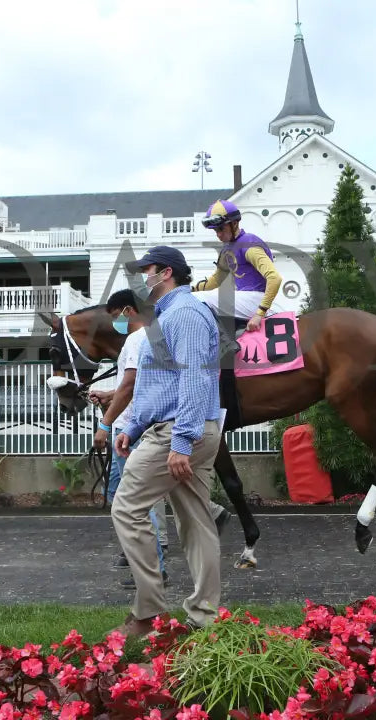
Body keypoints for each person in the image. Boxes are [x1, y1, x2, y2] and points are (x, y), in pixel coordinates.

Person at [111, 245, 223, 637]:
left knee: (126, 508)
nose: (143, 278)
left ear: (167, 273)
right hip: (181, 427)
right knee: (196, 522)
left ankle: (148, 612)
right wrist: (133, 426)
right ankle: (205, 619)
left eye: (148, 270)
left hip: (181, 430)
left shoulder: (186, 313)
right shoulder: (167, 316)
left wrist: (182, 441)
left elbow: (194, 377)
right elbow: (157, 385)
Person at [88, 289, 167, 589]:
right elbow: (133, 386)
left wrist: (104, 426)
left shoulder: (137, 339)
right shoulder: (149, 338)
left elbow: (131, 384)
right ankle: (147, 566)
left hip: (128, 431)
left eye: (115, 316)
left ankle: (153, 570)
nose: (114, 324)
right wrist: (109, 395)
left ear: (128, 311)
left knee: (134, 503)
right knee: (121, 499)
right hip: (130, 427)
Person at [192, 200, 283, 332]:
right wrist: (188, 289)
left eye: (221, 228)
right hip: (246, 301)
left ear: (234, 223)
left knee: (198, 299)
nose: (218, 234)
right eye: (216, 230)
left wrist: (259, 314)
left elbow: (275, 278)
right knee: (191, 296)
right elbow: (215, 281)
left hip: (258, 300)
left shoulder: (248, 243)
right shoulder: (227, 249)